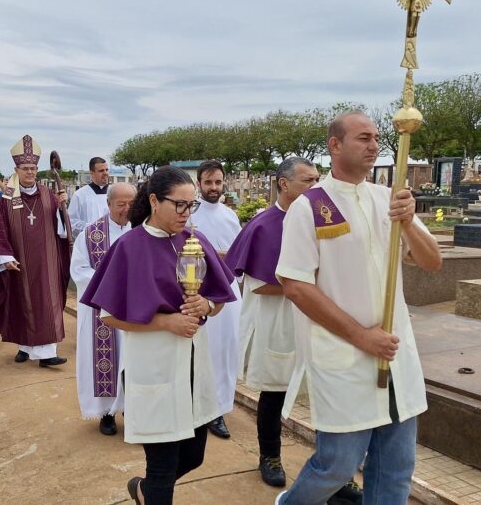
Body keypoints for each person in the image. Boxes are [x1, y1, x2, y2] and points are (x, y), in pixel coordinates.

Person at [275, 111, 442, 505]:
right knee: (337, 465)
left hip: (395, 355)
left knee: (396, 469)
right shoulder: (310, 207)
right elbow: (295, 285)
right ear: (335, 145)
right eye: (363, 138)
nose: (373, 146)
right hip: (345, 356)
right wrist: (361, 336)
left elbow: (432, 263)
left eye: (377, 138)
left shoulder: (389, 199)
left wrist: (411, 223)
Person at [80, 166, 236, 505]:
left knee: (194, 456)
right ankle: (154, 491)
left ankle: (144, 490)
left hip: (194, 367)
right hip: (153, 366)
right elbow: (110, 316)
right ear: (153, 200)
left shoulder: (196, 240)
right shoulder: (129, 247)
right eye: (179, 204)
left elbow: (220, 299)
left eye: (191, 205)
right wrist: (165, 323)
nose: (186, 213)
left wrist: (205, 305)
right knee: (163, 470)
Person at [226, 157, 366, 497]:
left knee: (327, 395)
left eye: (318, 179)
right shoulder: (264, 225)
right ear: (284, 184)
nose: (315, 186)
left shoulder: (327, 219)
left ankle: (337, 472)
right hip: (282, 320)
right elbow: (258, 284)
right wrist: (307, 284)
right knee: (274, 393)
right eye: (307, 180)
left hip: (323, 320)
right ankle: (270, 457)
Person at [0, 135, 70, 367]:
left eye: (33, 168)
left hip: (47, 260)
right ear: (16, 169)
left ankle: (47, 353)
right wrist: (4, 256)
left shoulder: (48, 194)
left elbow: (63, 231)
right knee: (22, 301)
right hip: (19, 260)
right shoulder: (6, 198)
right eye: (25, 168)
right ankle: (24, 346)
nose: (30, 172)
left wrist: (63, 207)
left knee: (47, 301)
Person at [70, 183, 136, 435]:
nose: (126, 209)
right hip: (103, 311)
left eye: (131, 203)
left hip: (135, 311)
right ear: (108, 204)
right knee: (107, 360)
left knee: (133, 359)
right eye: (121, 204)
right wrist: (112, 282)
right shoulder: (90, 234)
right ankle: (106, 413)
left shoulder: (143, 230)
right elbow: (78, 270)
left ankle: (133, 410)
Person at [189, 160, 242, 440]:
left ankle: (221, 406)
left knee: (227, 349)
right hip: (201, 290)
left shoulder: (230, 216)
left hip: (229, 290)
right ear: (199, 183)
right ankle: (205, 407)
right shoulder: (190, 215)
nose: (213, 187)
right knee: (205, 350)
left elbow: (239, 253)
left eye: (218, 182)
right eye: (208, 182)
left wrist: (229, 259)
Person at [68, 157, 110, 237]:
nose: (105, 173)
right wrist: (95, 227)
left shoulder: (115, 193)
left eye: (106, 170)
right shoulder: (80, 195)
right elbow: (72, 222)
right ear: (92, 173)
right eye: (101, 171)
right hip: (88, 242)